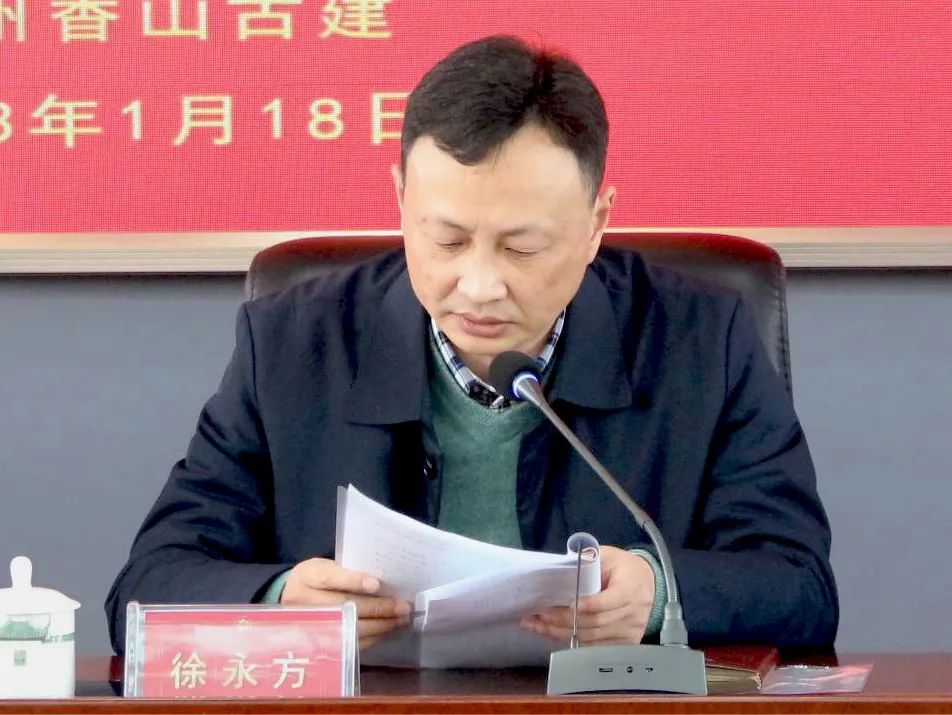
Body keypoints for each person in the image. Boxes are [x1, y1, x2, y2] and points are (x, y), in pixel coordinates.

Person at [105, 35, 837, 655]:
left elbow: (801, 586)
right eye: (448, 240)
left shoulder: (703, 340)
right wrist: (278, 600)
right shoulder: (293, 344)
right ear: (401, 200)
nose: (479, 286)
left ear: (596, 223)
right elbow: (146, 587)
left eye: (522, 248)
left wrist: (659, 592)